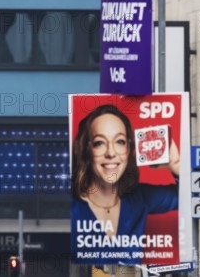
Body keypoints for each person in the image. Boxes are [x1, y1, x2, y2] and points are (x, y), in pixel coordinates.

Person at [71, 104, 180, 265]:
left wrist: (176, 165)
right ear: (86, 149)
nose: (111, 152)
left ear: (129, 149)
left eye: (120, 141)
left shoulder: (138, 198)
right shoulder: (71, 208)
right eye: (99, 143)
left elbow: (192, 197)